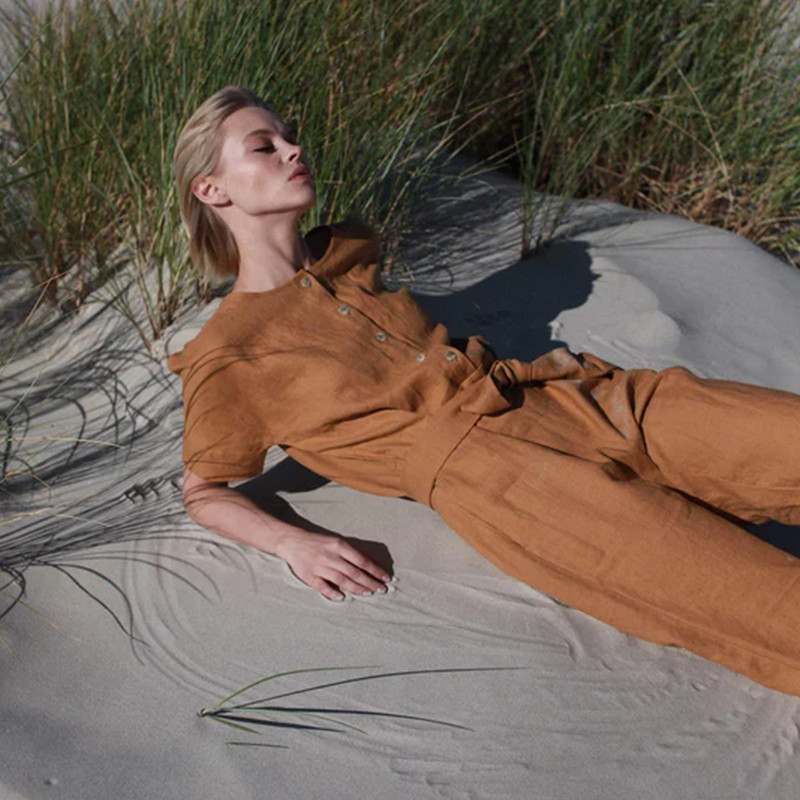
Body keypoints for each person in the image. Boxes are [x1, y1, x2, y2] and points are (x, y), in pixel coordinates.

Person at [168, 86, 800, 695]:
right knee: (752, 596)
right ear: (211, 189)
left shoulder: (350, 247)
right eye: (264, 147)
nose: (293, 150)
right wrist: (293, 544)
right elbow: (202, 491)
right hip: (503, 481)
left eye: (290, 137)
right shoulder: (229, 352)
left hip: (564, 394)